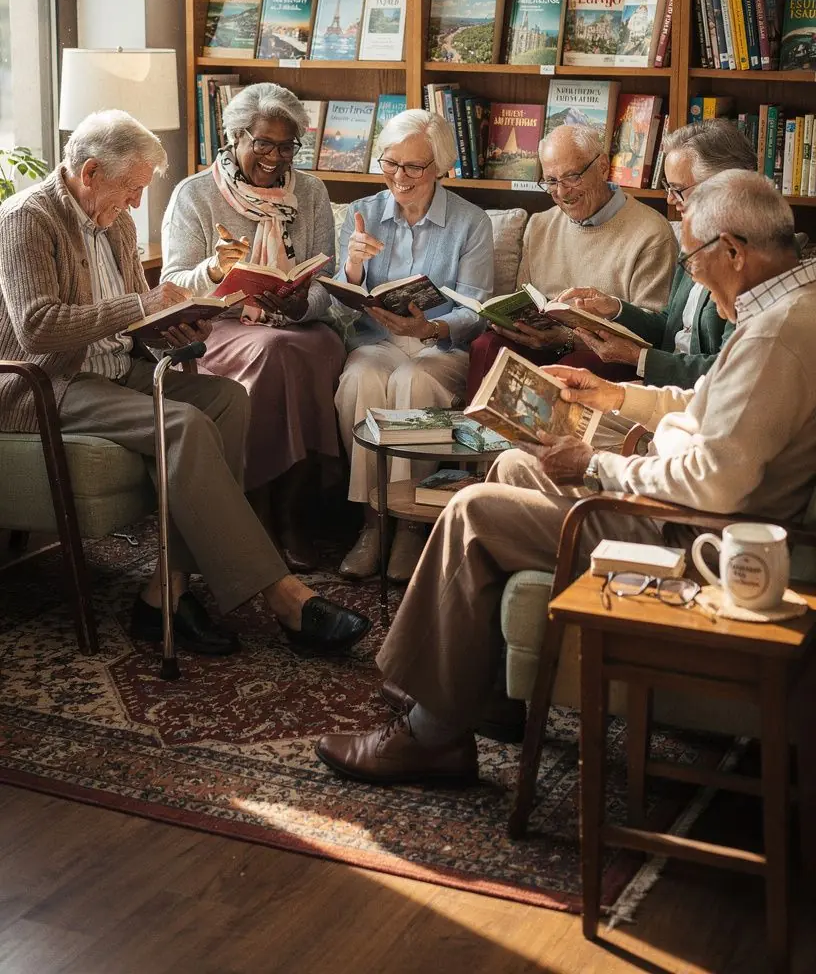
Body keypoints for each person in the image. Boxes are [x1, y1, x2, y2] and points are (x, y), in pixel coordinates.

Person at [316, 171, 816, 783]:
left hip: (694, 537)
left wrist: (596, 463)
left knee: (474, 510)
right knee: (515, 462)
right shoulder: (790, 308)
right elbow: (706, 406)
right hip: (683, 508)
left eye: (693, 258)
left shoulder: (774, 338)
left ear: (733, 251)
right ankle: (485, 695)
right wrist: (616, 397)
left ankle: (432, 734)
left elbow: (713, 483)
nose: (693, 275)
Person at [0, 110, 368, 657]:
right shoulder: (28, 219)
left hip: (113, 367)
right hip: (50, 383)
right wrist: (145, 304)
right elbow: (38, 326)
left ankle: (163, 590)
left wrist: (177, 326)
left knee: (227, 399)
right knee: (184, 423)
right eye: (132, 188)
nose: (135, 204)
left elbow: (131, 324)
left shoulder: (115, 222)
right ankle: (283, 596)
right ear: (92, 171)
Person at [162, 84, 346, 572]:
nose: (275, 157)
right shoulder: (194, 194)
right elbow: (173, 284)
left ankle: (292, 510)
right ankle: (262, 509)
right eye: (262, 143)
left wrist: (304, 300)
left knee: (319, 348)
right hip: (220, 326)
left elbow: (328, 282)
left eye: (286, 146)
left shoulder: (311, 192)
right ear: (235, 136)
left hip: (297, 324)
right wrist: (217, 273)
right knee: (274, 353)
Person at [333, 108, 493, 583]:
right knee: (359, 377)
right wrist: (355, 269)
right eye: (390, 163)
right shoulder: (362, 215)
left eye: (414, 167)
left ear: (439, 167)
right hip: (377, 341)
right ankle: (372, 523)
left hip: (440, 350)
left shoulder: (471, 222)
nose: (399, 178)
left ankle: (408, 526)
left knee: (414, 379)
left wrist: (433, 330)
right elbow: (339, 306)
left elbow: (478, 309)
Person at [465, 125, 677, 398]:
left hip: (605, 357)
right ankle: (478, 435)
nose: (562, 193)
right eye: (551, 181)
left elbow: (652, 333)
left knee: (572, 369)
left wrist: (568, 339)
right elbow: (525, 298)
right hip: (543, 342)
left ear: (602, 167)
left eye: (572, 177)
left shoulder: (651, 232)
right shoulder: (540, 224)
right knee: (486, 345)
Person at [559, 118, 757, 387]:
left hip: (700, 400)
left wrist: (639, 358)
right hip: (664, 389)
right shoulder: (698, 238)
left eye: (677, 189)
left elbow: (729, 370)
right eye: (667, 188)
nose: (669, 200)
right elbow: (671, 324)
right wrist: (614, 308)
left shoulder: (757, 261)